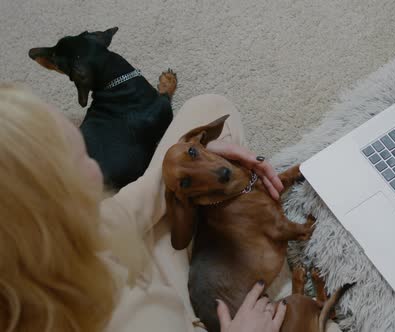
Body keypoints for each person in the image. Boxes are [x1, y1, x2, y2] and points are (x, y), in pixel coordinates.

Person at [0, 84, 288, 332]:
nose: (97, 168)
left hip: (118, 265)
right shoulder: (140, 320)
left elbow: (134, 203)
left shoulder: (32, 248)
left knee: (211, 107)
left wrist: (197, 161)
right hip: (179, 319)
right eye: (83, 159)